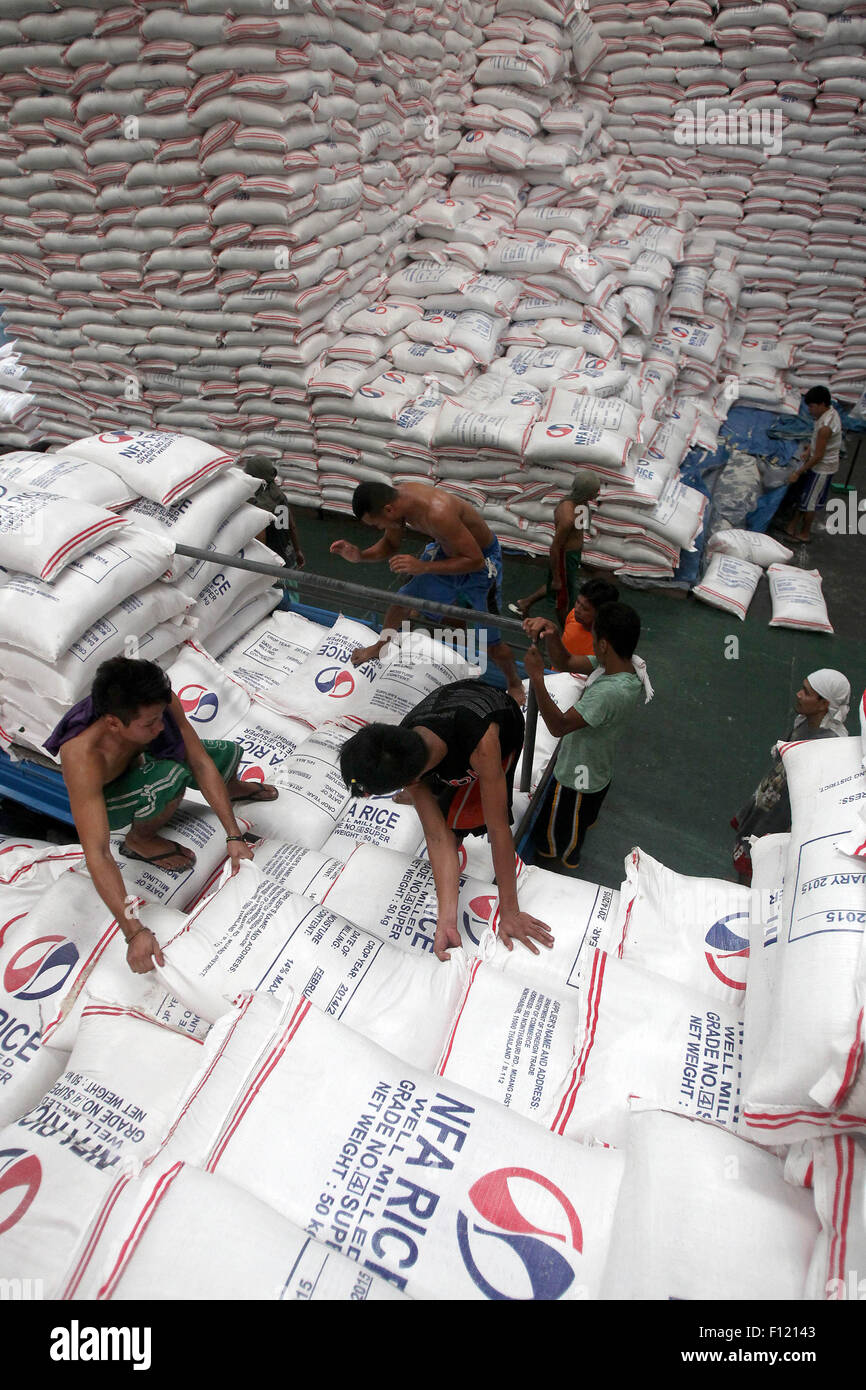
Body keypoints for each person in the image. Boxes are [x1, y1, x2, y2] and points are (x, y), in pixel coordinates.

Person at [44, 658, 278, 975]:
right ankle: (140, 839)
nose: (160, 727)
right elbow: (97, 853)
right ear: (114, 723)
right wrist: (135, 931)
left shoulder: (160, 704)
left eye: (159, 718)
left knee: (223, 752)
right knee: (172, 775)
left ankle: (229, 787)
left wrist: (233, 836)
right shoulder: (84, 755)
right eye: (150, 723)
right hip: (113, 798)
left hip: (139, 756)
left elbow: (200, 761)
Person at [338, 678, 553, 961]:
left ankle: (445, 790)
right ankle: (431, 793)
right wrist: (446, 921)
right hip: (446, 721)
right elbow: (437, 838)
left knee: (470, 818)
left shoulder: (482, 746)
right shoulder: (400, 746)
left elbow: (499, 829)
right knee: (444, 825)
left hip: (496, 719)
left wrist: (510, 911)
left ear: (411, 779)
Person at [329, 480, 526, 706]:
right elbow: (390, 545)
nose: (379, 529)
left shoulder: (437, 512)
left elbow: (475, 561)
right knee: (402, 600)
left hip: (481, 565)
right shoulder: (396, 507)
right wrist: (360, 555)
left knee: (490, 641)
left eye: (377, 524)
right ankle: (379, 646)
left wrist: (423, 567)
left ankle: (514, 682)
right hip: (446, 553)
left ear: (388, 510)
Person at [523, 602, 652, 871]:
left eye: (594, 641)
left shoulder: (608, 693)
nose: (591, 646)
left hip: (575, 783)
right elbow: (565, 662)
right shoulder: (623, 666)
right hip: (597, 770)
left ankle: (554, 867)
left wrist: (537, 678)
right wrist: (553, 634)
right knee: (581, 818)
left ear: (604, 645)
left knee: (558, 837)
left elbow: (558, 726)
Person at [731, 669, 850, 882]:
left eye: (806, 692)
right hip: (769, 806)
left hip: (781, 824)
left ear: (824, 704)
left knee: (761, 875)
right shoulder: (803, 722)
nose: (798, 694)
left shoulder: (829, 746)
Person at [510, 469, 601, 622]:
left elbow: (578, 532)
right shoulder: (567, 517)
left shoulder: (581, 504)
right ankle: (566, 630)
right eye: (595, 491)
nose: (598, 494)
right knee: (563, 599)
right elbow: (555, 548)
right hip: (565, 559)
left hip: (573, 557)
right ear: (586, 492)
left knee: (562, 587)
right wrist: (557, 577)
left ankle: (525, 603)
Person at [784, 386, 843, 544]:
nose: (809, 410)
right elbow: (816, 439)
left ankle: (804, 534)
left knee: (810, 503)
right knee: (804, 496)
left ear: (822, 404)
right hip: (817, 462)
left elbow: (819, 456)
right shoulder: (824, 414)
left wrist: (798, 472)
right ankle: (792, 526)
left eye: (811, 406)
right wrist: (809, 448)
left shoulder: (826, 426)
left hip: (823, 468)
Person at [243, 456, 305, 569]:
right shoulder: (279, 495)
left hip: (273, 565)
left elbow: (261, 542)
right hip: (288, 557)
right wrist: (297, 551)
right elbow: (292, 527)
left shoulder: (259, 505)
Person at [561, 577, 620, 659]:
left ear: (600, 613)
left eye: (585, 609)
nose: (577, 609)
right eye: (577, 602)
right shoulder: (572, 615)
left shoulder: (606, 645)